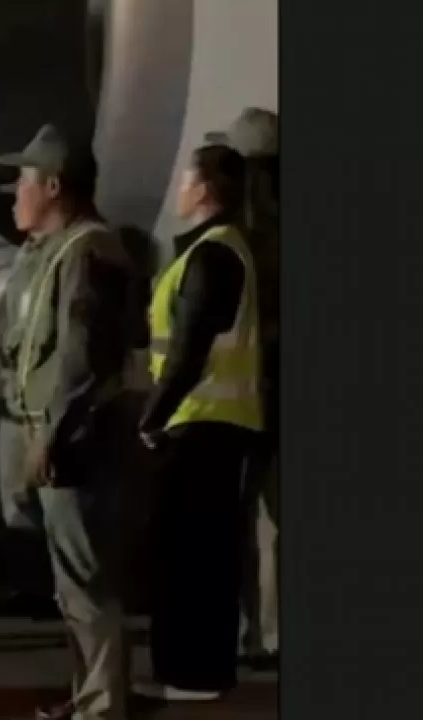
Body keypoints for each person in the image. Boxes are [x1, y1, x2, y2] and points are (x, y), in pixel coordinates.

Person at [0, 125, 137, 720]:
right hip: (38, 428)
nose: (14, 194)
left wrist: (51, 433)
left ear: (53, 186)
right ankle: (88, 697)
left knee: (85, 577)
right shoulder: (46, 252)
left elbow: (81, 356)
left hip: (71, 437)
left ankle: (102, 707)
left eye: (23, 181)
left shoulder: (89, 252)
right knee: (69, 579)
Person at [134, 144, 264, 702]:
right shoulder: (220, 250)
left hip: (201, 425)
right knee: (200, 553)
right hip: (210, 423)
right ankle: (192, 672)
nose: (179, 191)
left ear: (204, 189)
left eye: (186, 181)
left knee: (191, 557)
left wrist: (150, 418)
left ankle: (194, 675)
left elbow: (187, 352)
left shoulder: (212, 256)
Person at [207, 108, 280, 670]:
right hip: (272, 389)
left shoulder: (232, 238)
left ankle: (245, 631)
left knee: (235, 517)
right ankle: (270, 632)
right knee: (271, 519)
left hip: (236, 396)